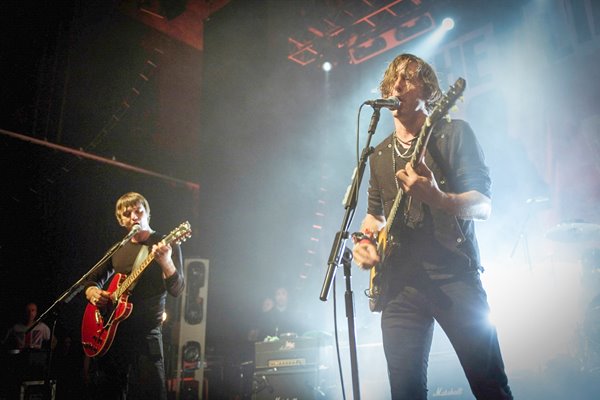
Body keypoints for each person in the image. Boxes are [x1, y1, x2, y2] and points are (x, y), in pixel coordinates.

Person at [351, 53, 512, 399]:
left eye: (408, 78)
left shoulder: (453, 134)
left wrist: (438, 198)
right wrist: (366, 241)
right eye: (392, 79)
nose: (397, 85)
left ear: (429, 90)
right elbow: (374, 214)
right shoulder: (378, 155)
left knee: (490, 388)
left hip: (455, 277)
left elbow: (483, 206)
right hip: (399, 288)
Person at [83, 192, 185, 399]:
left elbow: (177, 290)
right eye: (127, 214)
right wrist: (93, 292)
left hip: (147, 334)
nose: (134, 217)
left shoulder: (165, 243)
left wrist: (166, 261)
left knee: (152, 393)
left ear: (147, 213)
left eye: (138, 211)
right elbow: (90, 281)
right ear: (121, 221)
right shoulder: (118, 249)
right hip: (113, 334)